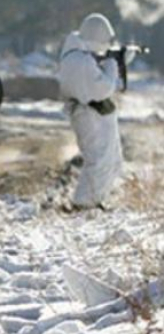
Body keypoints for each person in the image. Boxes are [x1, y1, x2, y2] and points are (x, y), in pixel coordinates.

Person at [58, 13, 130, 210]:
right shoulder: (81, 61)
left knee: (109, 158)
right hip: (88, 114)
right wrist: (113, 64)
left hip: (90, 113)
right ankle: (84, 203)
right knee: (98, 159)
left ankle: (94, 199)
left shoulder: (78, 56)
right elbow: (103, 88)